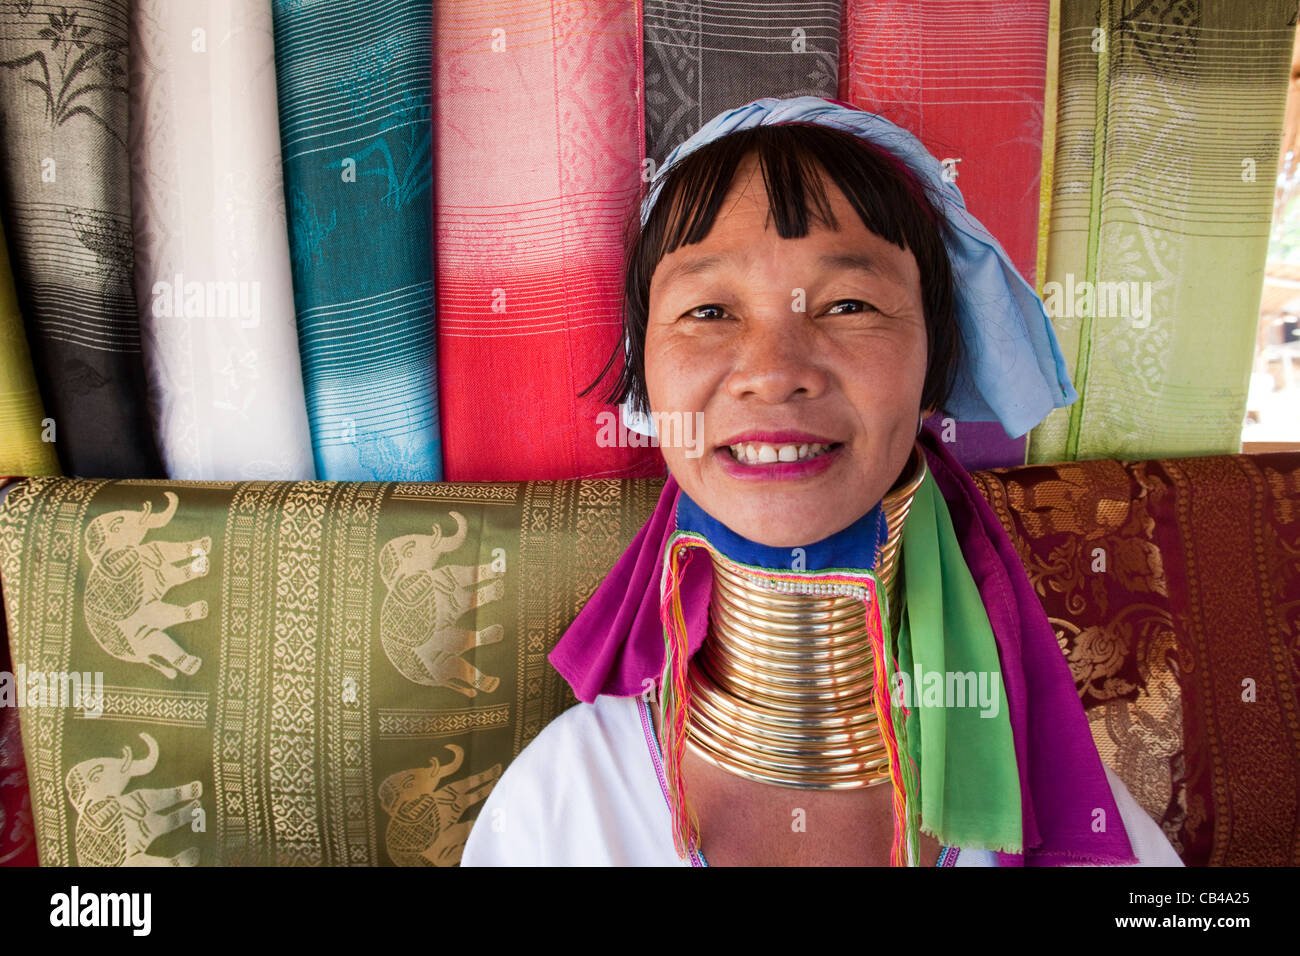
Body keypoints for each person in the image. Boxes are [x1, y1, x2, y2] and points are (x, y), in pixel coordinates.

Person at [461, 96, 1184, 867]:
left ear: (934, 368)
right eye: (708, 310)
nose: (774, 373)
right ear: (651, 381)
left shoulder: (1086, 820)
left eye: (848, 304)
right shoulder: (559, 806)